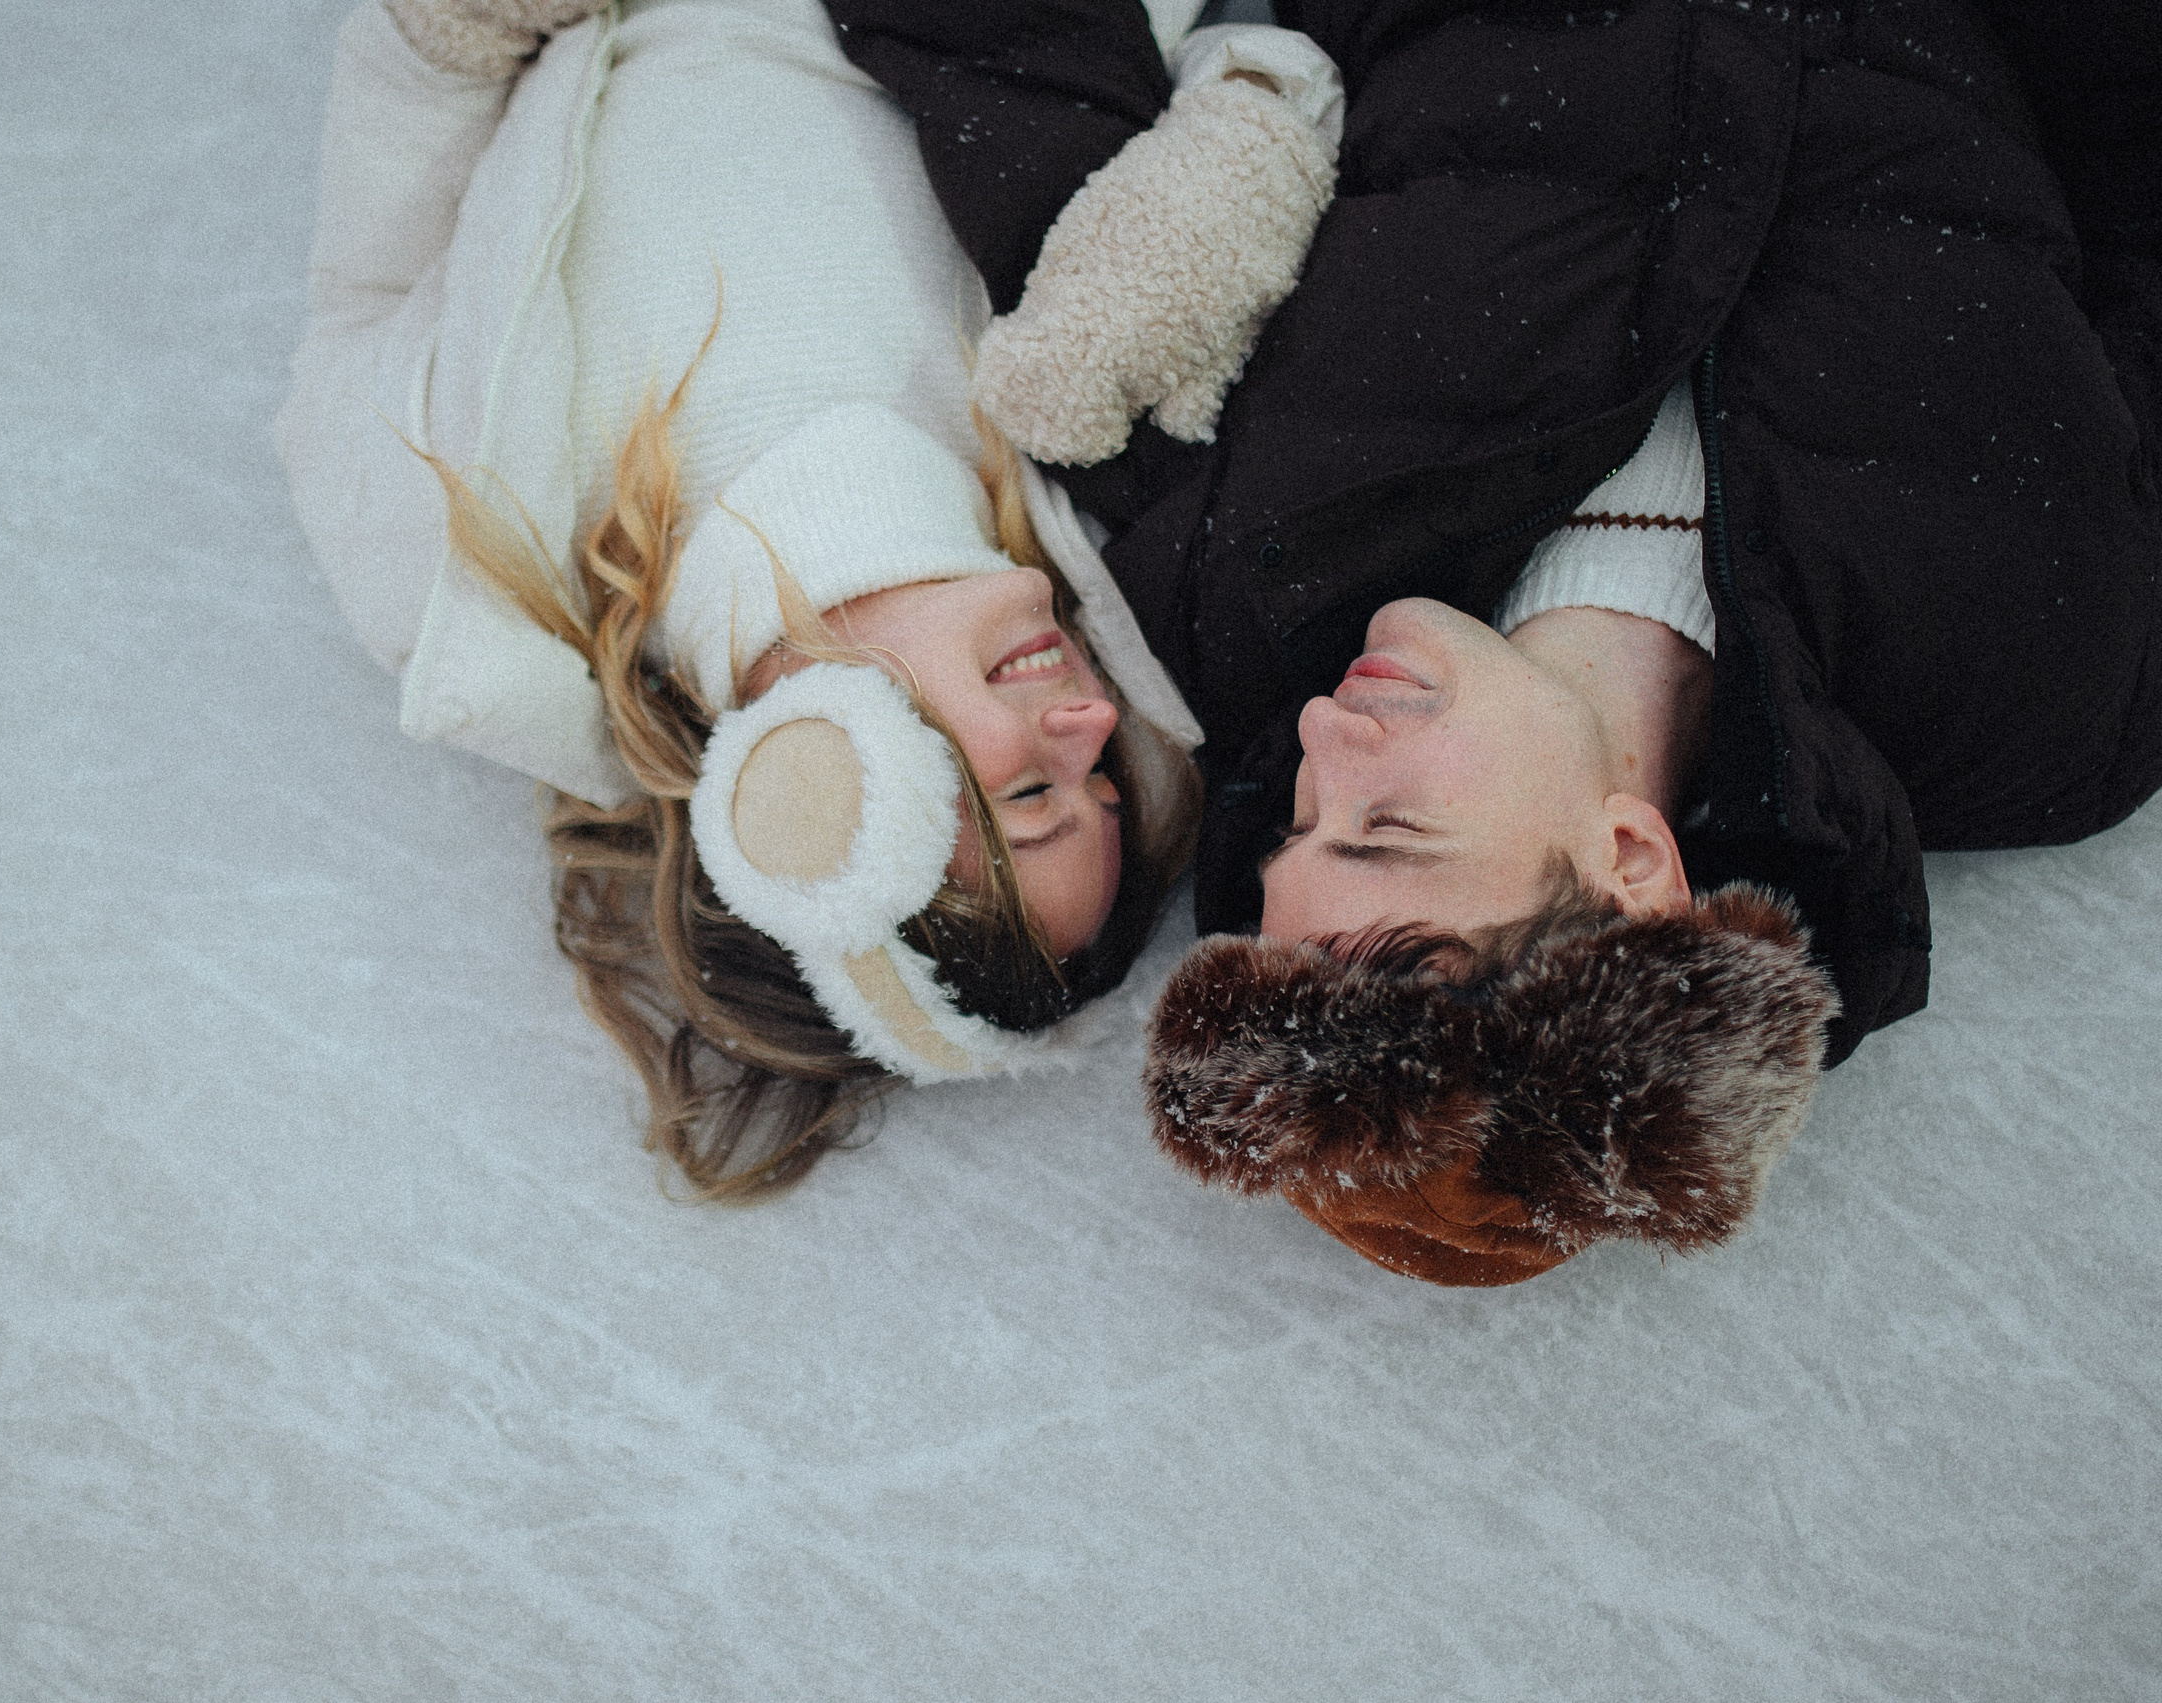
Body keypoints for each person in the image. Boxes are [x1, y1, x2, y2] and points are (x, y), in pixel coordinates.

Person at [828, 0, 2162, 1279]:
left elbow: (1034, 109)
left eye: (1297, 823)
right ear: (1631, 867)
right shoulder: (2051, 690)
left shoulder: (1242, 581)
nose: (1319, 735)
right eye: (1387, 827)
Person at [274, 0, 1223, 1198]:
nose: (1089, 723)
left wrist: (445, 35)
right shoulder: (1093, 460)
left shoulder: (466, 561)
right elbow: (1202, 93)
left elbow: (364, 288)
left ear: (835, 801)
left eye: (1032, 792)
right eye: (1104, 780)